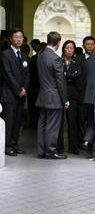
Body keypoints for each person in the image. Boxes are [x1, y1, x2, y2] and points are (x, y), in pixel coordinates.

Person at [35, 31, 69, 159]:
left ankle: (41, 150)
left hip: (42, 95)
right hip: (54, 97)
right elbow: (60, 81)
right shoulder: (55, 58)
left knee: (42, 124)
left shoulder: (40, 56)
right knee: (53, 126)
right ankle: (51, 151)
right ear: (58, 43)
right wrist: (65, 99)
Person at [0, 28, 30, 156]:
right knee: (9, 121)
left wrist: (25, 88)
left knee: (18, 121)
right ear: (11, 39)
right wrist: (18, 89)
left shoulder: (23, 55)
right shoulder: (5, 54)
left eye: (21, 37)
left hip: (21, 94)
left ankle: (14, 144)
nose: (18, 39)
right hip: (9, 94)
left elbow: (28, 74)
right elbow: (7, 74)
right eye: (16, 37)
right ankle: (7, 146)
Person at [62, 40, 81, 154]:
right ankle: (59, 147)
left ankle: (73, 147)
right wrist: (71, 75)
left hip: (73, 95)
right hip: (60, 94)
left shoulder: (76, 62)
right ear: (63, 49)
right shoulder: (59, 61)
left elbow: (78, 75)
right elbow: (59, 76)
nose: (69, 50)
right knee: (59, 122)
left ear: (74, 51)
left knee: (72, 121)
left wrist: (66, 74)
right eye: (67, 48)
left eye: (72, 48)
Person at [76, 36, 95, 148]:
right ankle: (81, 141)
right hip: (82, 94)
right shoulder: (78, 59)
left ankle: (89, 142)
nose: (89, 46)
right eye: (87, 44)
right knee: (80, 119)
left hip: (93, 96)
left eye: (92, 44)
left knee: (91, 120)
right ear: (83, 45)